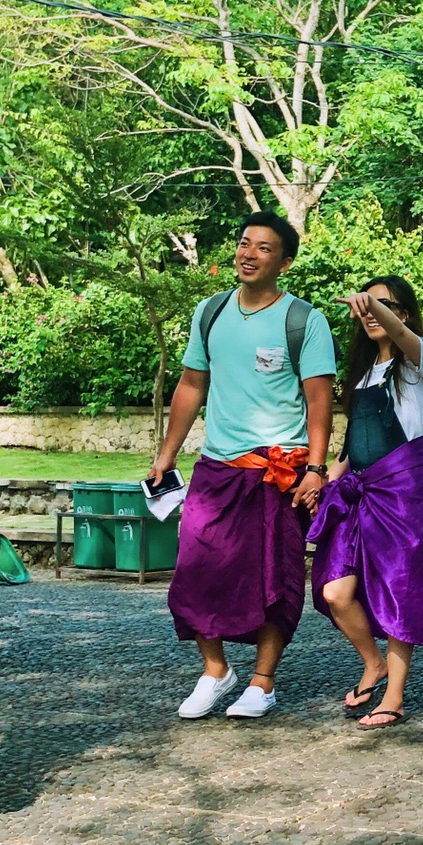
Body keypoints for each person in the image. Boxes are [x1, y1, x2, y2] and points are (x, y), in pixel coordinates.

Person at [154, 212, 337, 720]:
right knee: (193, 572)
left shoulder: (304, 320)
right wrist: (167, 454)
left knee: (273, 579)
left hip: (279, 470)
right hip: (216, 467)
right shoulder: (210, 312)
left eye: (262, 247)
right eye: (242, 243)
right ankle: (215, 670)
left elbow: (319, 401)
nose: (247, 254)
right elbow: (192, 385)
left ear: (285, 260)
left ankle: (262, 680)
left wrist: (316, 469)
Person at [307, 278, 423, 728]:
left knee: (400, 589)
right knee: (335, 591)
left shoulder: (419, 359)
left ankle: (394, 698)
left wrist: (371, 305)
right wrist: (324, 481)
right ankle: (373, 662)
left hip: (404, 490)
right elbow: (351, 444)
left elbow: (405, 338)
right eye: (365, 306)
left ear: (403, 314)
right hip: (361, 489)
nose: (370, 313)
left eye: (382, 306)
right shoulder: (364, 375)